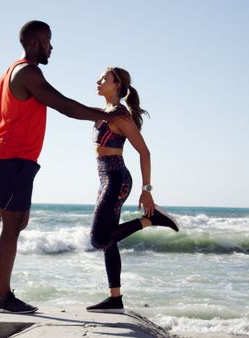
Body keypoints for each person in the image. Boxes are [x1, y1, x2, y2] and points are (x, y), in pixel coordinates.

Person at [0, 20, 125, 314]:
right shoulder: (28, 73)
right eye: (48, 41)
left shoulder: (7, 74)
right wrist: (102, 114)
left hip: (14, 158)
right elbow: (62, 104)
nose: (51, 47)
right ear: (34, 42)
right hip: (13, 158)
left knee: (17, 222)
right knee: (11, 227)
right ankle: (1, 297)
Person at [85, 67, 179, 314]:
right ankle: (114, 298)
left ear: (116, 84)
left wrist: (147, 190)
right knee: (109, 241)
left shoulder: (121, 117)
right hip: (105, 179)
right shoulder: (103, 113)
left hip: (116, 179)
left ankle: (149, 220)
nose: (98, 81)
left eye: (103, 78)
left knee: (98, 239)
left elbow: (145, 152)